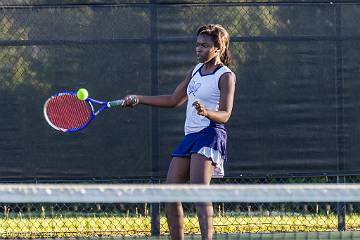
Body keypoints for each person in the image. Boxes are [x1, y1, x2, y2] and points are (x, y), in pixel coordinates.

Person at [123, 24, 236, 240]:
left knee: (199, 191)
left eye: (204, 45)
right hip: (191, 137)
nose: (198, 49)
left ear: (218, 48)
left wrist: (207, 112)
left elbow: (225, 114)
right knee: (170, 194)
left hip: (210, 134)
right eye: (197, 45)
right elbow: (173, 100)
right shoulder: (195, 70)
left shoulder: (226, 76)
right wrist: (140, 99)